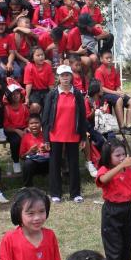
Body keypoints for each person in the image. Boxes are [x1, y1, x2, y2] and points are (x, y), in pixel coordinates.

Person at [42, 65, 88, 203]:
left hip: (73, 134)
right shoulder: (52, 94)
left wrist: (83, 136)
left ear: (71, 76)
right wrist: (46, 138)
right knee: (54, 164)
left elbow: (83, 116)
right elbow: (45, 117)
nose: (65, 78)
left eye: (67, 75)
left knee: (74, 164)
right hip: (55, 134)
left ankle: (75, 194)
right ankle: (55, 194)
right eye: (62, 75)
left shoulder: (77, 94)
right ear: (58, 77)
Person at [94, 51, 131, 133]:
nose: (109, 60)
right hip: (104, 94)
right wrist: (116, 93)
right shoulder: (99, 71)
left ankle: (129, 125)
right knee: (119, 99)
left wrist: (120, 92)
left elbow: (117, 86)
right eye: (107, 58)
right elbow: (101, 88)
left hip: (114, 93)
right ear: (101, 59)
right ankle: (122, 126)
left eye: (110, 58)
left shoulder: (115, 70)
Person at [3, 83, 30, 174]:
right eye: (13, 94)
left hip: (24, 128)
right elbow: (6, 126)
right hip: (12, 130)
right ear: (9, 96)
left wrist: (26, 128)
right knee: (15, 141)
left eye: (17, 93)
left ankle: (28, 159)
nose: (16, 96)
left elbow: (28, 120)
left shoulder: (24, 107)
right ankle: (16, 161)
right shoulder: (6, 108)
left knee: (29, 138)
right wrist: (16, 130)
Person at [20, 114, 51, 188]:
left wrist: (48, 150)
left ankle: (55, 185)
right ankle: (28, 187)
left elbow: (56, 151)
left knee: (54, 160)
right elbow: (22, 156)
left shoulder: (47, 135)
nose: (34, 125)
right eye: (31, 123)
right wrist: (30, 151)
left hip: (47, 163)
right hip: (34, 165)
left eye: (36, 123)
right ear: (28, 126)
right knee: (27, 163)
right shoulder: (26, 137)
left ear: (41, 124)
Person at [24, 46, 54, 114]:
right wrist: (27, 97)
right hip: (34, 92)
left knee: (49, 106)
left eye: (42, 54)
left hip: (46, 91)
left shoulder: (48, 67)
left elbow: (50, 84)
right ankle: (35, 120)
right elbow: (29, 84)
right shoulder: (29, 67)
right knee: (34, 107)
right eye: (38, 55)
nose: (41, 57)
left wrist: (53, 95)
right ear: (32, 57)